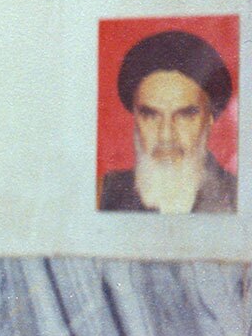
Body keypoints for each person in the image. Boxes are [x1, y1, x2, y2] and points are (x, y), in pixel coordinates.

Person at [99, 30, 236, 213]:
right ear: (136, 118)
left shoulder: (238, 197)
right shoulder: (103, 193)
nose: (166, 135)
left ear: (209, 118)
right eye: (151, 115)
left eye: (185, 115)